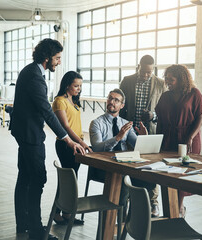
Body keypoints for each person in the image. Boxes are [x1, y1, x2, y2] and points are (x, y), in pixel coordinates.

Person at [10, 38, 85, 240]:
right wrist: (67, 140)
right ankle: (35, 230)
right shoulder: (35, 76)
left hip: (26, 133)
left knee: (25, 178)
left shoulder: (32, 72)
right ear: (47, 57)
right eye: (57, 58)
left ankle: (23, 225)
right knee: (37, 178)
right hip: (30, 135)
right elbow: (46, 111)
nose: (59, 62)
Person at [89, 88, 154, 218]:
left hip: (124, 165)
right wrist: (117, 138)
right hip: (103, 167)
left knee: (149, 181)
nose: (111, 102)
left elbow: (137, 147)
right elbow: (96, 148)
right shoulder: (96, 123)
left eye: (116, 100)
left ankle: (131, 220)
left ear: (122, 105)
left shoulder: (125, 124)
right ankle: (119, 219)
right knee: (125, 179)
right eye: (110, 98)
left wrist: (143, 138)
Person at [155, 64, 202, 218]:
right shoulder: (165, 96)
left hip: (188, 138)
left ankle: (178, 208)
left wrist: (190, 137)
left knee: (183, 174)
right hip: (169, 137)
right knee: (167, 173)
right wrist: (158, 141)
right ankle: (173, 209)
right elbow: (160, 120)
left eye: (171, 80)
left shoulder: (194, 94)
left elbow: (200, 117)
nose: (168, 82)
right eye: (167, 79)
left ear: (182, 79)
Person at [119, 55, 166, 217]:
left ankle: (153, 202)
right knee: (131, 165)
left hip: (150, 133)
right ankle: (133, 199)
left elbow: (166, 112)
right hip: (130, 132)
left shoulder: (160, 84)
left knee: (152, 167)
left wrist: (153, 116)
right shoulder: (127, 81)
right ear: (138, 66)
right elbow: (120, 105)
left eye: (150, 72)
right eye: (144, 71)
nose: (147, 75)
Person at [52, 71, 92, 225]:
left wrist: (81, 141)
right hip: (66, 144)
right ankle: (58, 213)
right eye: (76, 86)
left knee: (71, 180)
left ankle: (66, 213)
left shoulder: (73, 101)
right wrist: (82, 143)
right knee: (68, 180)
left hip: (77, 143)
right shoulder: (59, 101)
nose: (79, 89)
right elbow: (65, 127)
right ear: (67, 84)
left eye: (80, 86)